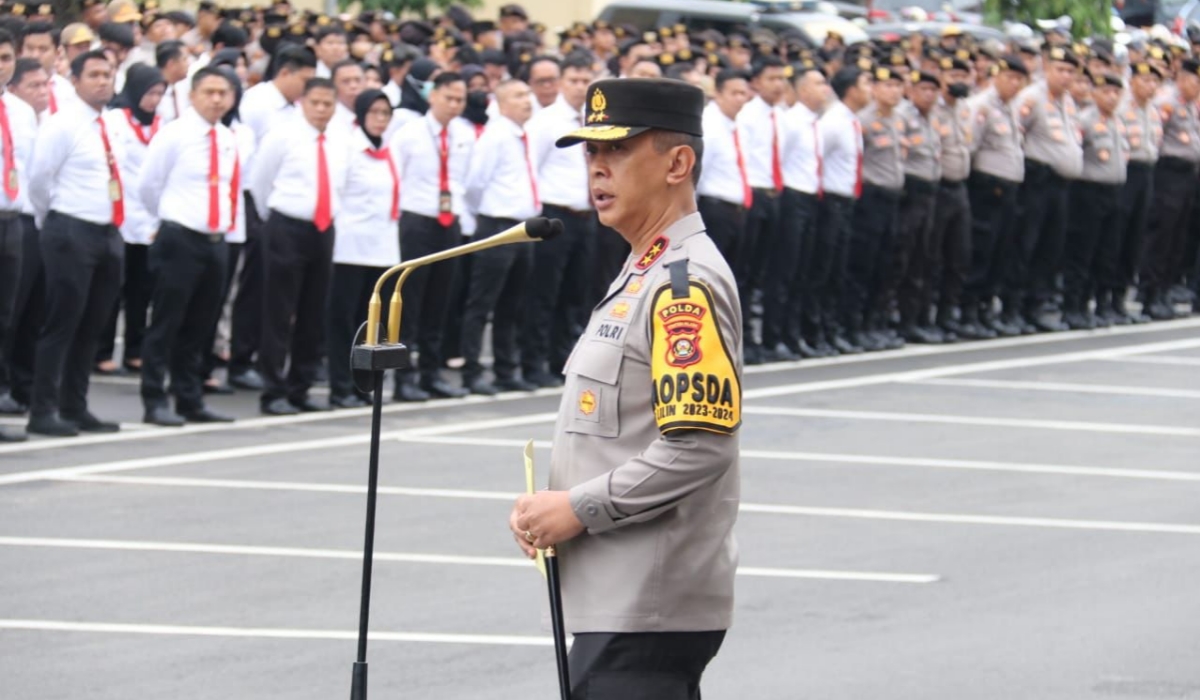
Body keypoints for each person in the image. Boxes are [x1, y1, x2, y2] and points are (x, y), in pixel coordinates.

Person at [509, 77, 740, 700]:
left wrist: (576, 507)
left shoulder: (682, 283)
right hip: (615, 604)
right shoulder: (645, 269)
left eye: (616, 150)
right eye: (590, 153)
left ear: (678, 163)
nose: (598, 168)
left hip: (646, 610)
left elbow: (699, 448)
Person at [26, 50, 125, 437]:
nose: (103, 81)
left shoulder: (110, 123)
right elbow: (39, 181)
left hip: (106, 230)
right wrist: (52, 218)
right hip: (70, 229)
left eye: (108, 73)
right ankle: (43, 408)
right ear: (77, 81)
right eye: (95, 75)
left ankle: (75, 404)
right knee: (62, 323)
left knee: (93, 324)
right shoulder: (62, 124)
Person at [136, 66, 240, 425]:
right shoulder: (175, 135)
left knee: (201, 325)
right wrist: (167, 220)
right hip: (180, 237)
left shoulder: (227, 138)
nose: (216, 99)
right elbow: (149, 185)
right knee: (167, 321)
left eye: (222, 93)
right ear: (193, 95)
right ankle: (154, 398)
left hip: (215, 241)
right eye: (208, 92)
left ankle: (189, 396)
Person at [249, 77, 348, 415]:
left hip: (323, 228)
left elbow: (342, 184)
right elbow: (260, 183)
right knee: (278, 311)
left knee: (313, 311)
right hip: (286, 226)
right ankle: (273, 389)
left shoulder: (339, 139)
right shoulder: (283, 135)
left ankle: (300, 387)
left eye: (328, 104)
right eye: (315, 103)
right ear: (302, 103)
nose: (321, 110)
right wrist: (271, 220)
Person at [228, 45, 316, 392]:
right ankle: (240, 358)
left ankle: (256, 357)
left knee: (271, 290)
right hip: (255, 201)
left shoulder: (294, 109)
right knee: (252, 286)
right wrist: (262, 211)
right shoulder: (258, 103)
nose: (307, 90)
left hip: (276, 205)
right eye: (304, 80)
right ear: (285, 73)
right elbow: (256, 166)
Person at [390, 71, 473, 401]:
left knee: (440, 300)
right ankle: (404, 377)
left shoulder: (463, 134)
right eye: (449, 98)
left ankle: (431, 371)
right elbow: (397, 177)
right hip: (416, 219)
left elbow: (467, 178)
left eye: (460, 100)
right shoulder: (409, 133)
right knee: (411, 301)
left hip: (448, 220)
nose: (454, 105)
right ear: (432, 96)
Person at [460, 78, 540, 396]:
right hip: (497, 225)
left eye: (528, 93)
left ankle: (506, 369)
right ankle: (471, 370)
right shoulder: (495, 136)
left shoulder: (523, 135)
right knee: (483, 302)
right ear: (502, 102)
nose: (527, 100)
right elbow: (474, 184)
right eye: (519, 95)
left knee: (513, 303)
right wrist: (489, 215)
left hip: (524, 226)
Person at [522, 51, 594, 388]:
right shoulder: (545, 122)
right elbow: (531, 169)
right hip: (554, 215)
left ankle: (562, 358)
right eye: (574, 81)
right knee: (544, 293)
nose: (580, 87)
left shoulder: (594, 121)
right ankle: (534, 361)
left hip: (587, 214)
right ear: (562, 82)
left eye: (586, 81)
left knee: (575, 293)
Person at [326, 89, 401, 409]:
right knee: (343, 322)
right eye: (374, 112)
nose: (380, 119)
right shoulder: (346, 147)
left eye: (386, 113)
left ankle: (364, 385)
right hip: (350, 247)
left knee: (372, 324)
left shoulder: (388, 149)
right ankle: (340, 385)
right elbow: (336, 194)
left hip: (381, 247)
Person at [95, 64, 166, 377]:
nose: (153, 100)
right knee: (112, 288)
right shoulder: (114, 121)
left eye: (159, 94)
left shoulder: (164, 126)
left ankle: (136, 350)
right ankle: (102, 350)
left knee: (142, 290)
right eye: (149, 92)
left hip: (150, 218)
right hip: (120, 214)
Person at [1010, 46, 1083, 333]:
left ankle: (1038, 303)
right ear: (1046, 68)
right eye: (1060, 70)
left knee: (1050, 246)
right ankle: (1016, 305)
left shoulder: (1067, 101)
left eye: (1070, 71)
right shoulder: (1031, 98)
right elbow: (1017, 135)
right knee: (1027, 244)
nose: (1065, 76)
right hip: (1037, 180)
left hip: (1060, 185)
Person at [962, 55, 1028, 337]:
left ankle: (986, 308)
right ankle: (969, 311)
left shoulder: (1010, 107)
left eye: (1019, 79)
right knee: (982, 249)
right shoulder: (981, 106)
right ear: (996, 76)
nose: (1014, 84)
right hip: (987, 187)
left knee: (1000, 251)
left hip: (1009, 188)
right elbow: (970, 147)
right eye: (1009, 77)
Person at [1061, 72, 1129, 330]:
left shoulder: (1118, 120)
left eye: (1116, 92)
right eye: (1106, 92)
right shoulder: (1084, 120)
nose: (1111, 97)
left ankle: (1096, 304)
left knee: (1106, 252)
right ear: (1095, 93)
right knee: (1082, 250)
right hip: (1088, 191)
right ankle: (1073, 306)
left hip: (1114, 191)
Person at [0, 58, 48, 423]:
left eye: (5, 58)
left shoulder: (20, 112)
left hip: (14, 219)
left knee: (7, 316)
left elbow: (32, 171)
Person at [847, 65, 905, 352]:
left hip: (894, 199)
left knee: (886, 264)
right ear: (875, 89)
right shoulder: (864, 121)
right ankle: (857, 326)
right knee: (864, 265)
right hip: (872, 198)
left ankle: (876, 322)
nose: (894, 91)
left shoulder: (899, 119)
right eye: (888, 85)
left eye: (898, 85)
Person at [774, 63, 829, 359]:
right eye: (819, 84)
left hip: (811, 198)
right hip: (793, 197)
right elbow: (779, 160)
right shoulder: (791, 121)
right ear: (804, 89)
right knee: (786, 271)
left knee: (804, 272)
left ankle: (794, 335)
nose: (825, 90)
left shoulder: (815, 121)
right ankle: (778, 335)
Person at [735, 55, 787, 364]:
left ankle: (764, 337)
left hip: (773, 193)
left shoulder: (779, 114)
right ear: (756, 82)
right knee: (743, 272)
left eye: (782, 78)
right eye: (772, 78)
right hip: (752, 194)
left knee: (762, 273)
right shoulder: (748, 115)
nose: (779, 85)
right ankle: (743, 339)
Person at [1141, 58, 1200, 320]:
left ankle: (1164, 290)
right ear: (1183, 78)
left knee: (1176, 238)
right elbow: (1155, 138)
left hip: (1187, 177)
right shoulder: (1167, 102)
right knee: (1161, 236)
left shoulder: (1188, 106)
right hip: (1168, 174)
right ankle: (1150, 293)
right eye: (1196, 80)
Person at [819, 65, 871, 355]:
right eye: (865, 83)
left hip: (848, 202)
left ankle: (832, 329)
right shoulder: (834, 121)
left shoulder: (851, 120)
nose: (870, 89)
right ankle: (820, 332)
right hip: (832, 201)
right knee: (826, 271)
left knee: (840, 270)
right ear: (850, 89)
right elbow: (818, 159)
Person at [928, 56, 981, 340]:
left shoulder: (966, 109)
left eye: (964, 74)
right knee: (932, 256)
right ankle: (926, 317)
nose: (959, 81)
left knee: (960, 255)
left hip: (960, 187)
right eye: (953, 74)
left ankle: (948, 314)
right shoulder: (930, 108)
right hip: (938, 188)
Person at [893, 70, 944, 344]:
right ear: (911, 90)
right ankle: (900, 320)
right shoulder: (902, 116)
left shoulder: (933, 116)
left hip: (931, 191)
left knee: (924, 259)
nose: (929, 95)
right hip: (910, 192)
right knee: (905, 257)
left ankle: (915, 318)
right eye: (923, 89)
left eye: (934, 90)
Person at [1113, 61, 1163, 324]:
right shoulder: (1121, 108)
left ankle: (1119, 298)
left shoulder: (1153, 110)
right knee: (1117, 236)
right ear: (1132, 82)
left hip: (1147, 173)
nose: (1150, 86)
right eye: (1145, 80)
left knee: (1135, 237)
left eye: (1155, 81)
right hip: (1127, 172)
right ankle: (1105, 299)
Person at [696, 68, 751, 264]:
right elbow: (697, 173)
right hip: (714, 208)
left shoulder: (738, 125)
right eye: (734, 93)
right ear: (717, 93)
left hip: (736, 210)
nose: (740, 99)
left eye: (743, 94)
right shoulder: (709, 125)